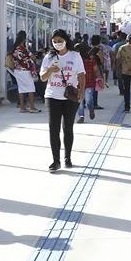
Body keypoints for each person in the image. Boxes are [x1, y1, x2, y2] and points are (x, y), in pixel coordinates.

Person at [40, 29, 85, 172]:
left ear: (66, 40)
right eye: (54, 41)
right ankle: (55, 161)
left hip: (70, 97)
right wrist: (51, 71)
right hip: (52, 96)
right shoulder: (48, 57)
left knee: (68, 128)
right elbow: (42, 78)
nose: (57, 44)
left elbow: (81, 74)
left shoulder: (75, 56)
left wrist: (82, 91)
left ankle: (67, 157)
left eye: (60, 41)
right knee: (53, 129)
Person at [10, 30, 39, 113]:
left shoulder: (15, 49)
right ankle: (32, 107)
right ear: (23, 40)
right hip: (25, 71)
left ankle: (22, 107)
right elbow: (33, 57)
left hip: (17, 71)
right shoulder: (24, 50)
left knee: (21, 89)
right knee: (31, 88)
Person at [75, 43, 102, 123]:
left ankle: (91, 109)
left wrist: (99, 79)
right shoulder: (75, 59)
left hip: (89, 82)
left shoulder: (91, 59)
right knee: (80, 100)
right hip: (78, 83)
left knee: (88, 99)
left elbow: (96, 70)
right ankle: (81, 116)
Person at [88, 35, 105, 109]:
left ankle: (86, 101)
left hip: (88, 68)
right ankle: (95, 103)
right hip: (97, 67)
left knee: (88, 85)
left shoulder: (88, 49)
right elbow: (102, 61)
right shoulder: (98, 51)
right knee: (96, 85)